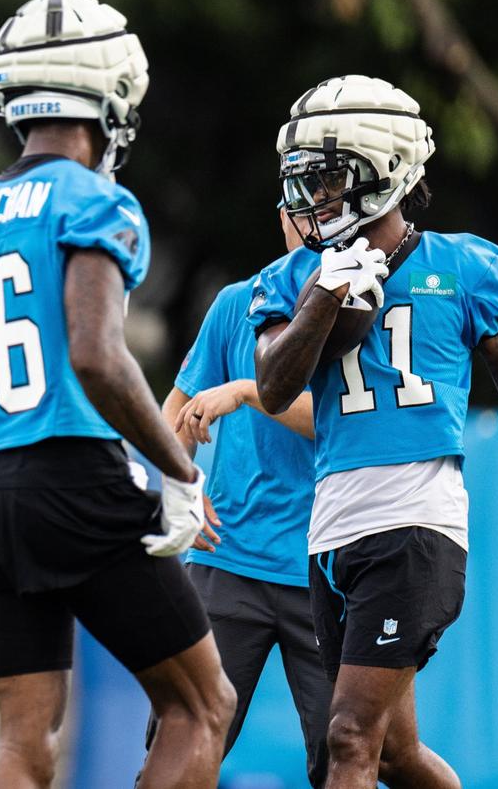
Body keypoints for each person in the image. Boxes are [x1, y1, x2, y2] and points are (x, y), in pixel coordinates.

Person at [0, 0, 236, 787]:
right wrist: (178, 469)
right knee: (201, 706)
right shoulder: (95, 199)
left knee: (23, 743)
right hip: (74, 476)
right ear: (109, 93)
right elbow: (98, 357)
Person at [250, 75, 498, 787]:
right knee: (396, 755)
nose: (316, 198)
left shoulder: (464, 266)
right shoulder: (294, 277)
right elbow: (275, 385)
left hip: (416, 523)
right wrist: (324, 296)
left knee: (346, 739)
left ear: (386, 172)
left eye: (332, 177)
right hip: (333, 528)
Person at [142, 204, 331, 787]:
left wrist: (250, 391)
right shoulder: (236, 303)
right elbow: (175, 410)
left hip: (323, 566)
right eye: (300, 209)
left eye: (324, 207)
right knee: (180, 739)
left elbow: (342, 424)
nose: (311, 223)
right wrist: (183, 486)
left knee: (345, 751)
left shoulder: (352, 312)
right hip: (227, 563)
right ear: (280, 218)